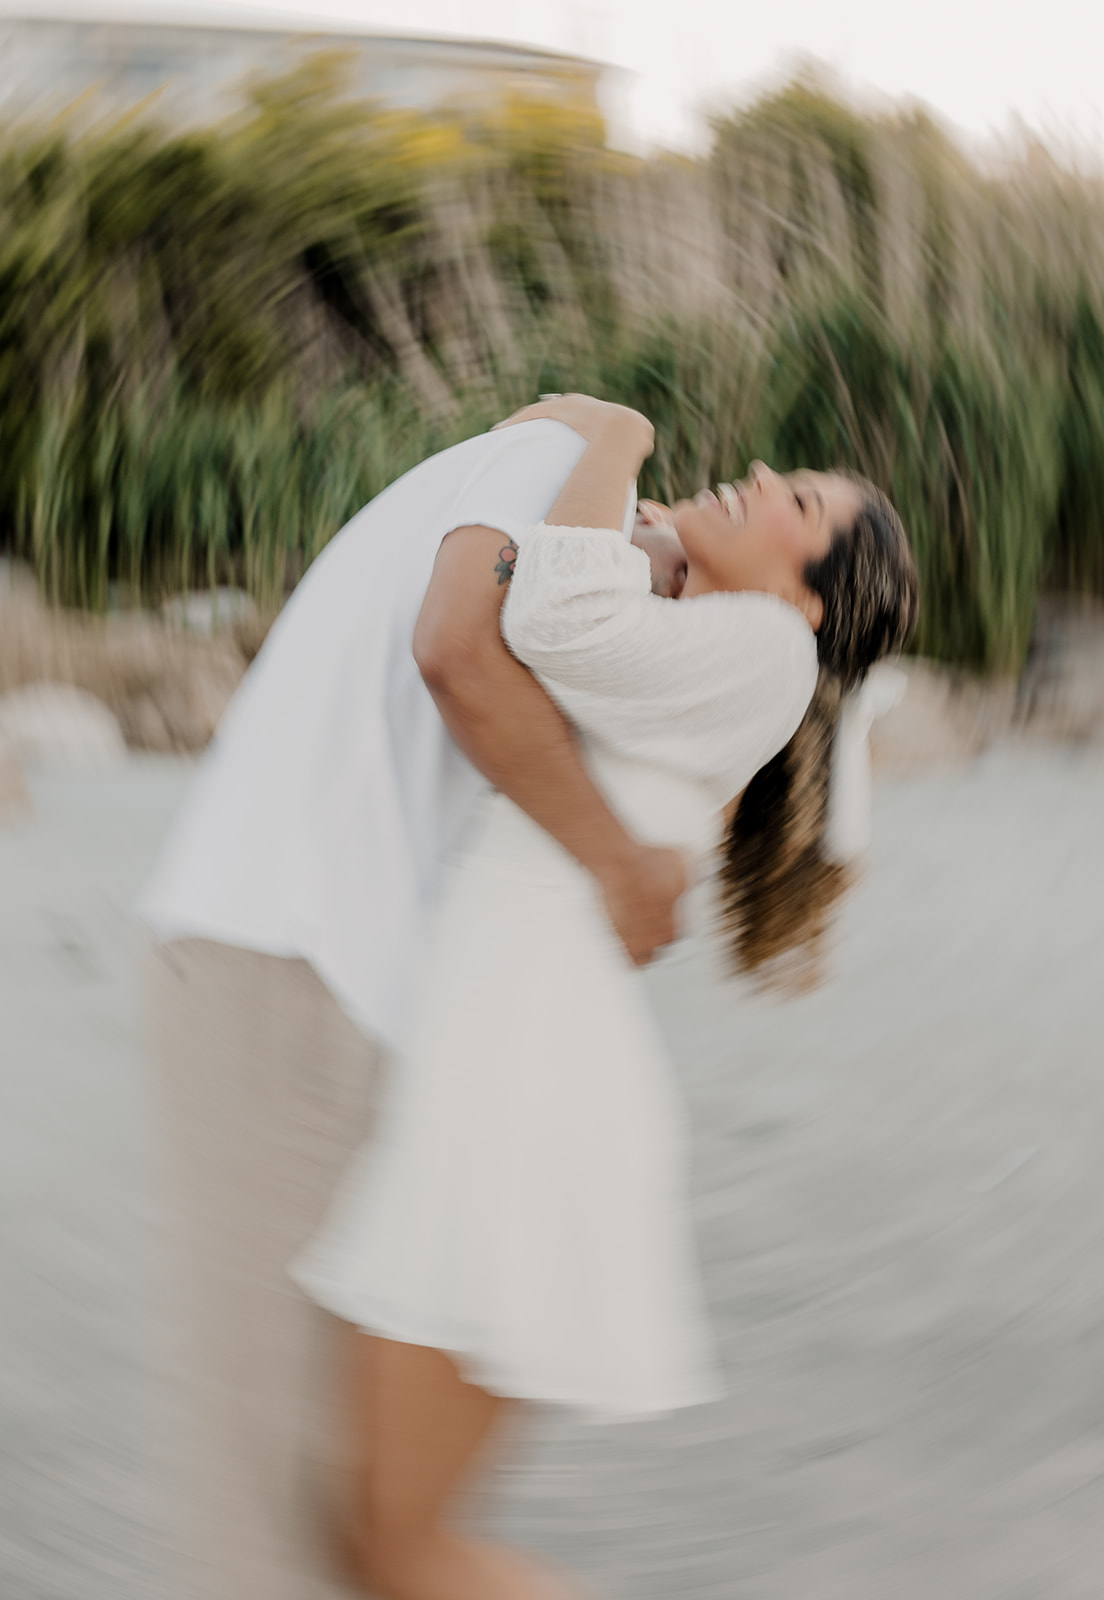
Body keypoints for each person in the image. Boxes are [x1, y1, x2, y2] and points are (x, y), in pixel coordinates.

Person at [291, 395, 920, 1599]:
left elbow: (552, 608)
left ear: (807, 598)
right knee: (368, 1528)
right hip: (502, 1070)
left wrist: (620, 434)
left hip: (527, 1089)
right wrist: (652, 524)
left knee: (394, 1539)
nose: (762, 468)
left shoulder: (767, 652)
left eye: (796, 502)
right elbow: (571, 593)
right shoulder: (703, 639)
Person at [139, 400, 692, 1600]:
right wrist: (619, 860)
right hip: (277, 962)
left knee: (337, 1522)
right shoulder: (555, 461)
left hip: (332, 1001)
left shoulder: (588, 578)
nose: (755, 483)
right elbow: (455, 649)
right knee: (291, 1516)